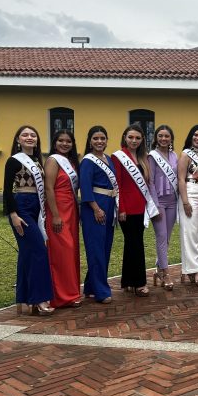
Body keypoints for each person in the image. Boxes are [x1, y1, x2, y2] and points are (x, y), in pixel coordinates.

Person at [3, 125, 54, 315]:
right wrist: (13, 215)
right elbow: (7, 191)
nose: (29, 137)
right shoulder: (13, 161)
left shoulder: (37, 160)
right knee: (39, 250)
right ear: (18, 139)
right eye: (25, 135)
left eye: (33, 135)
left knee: (26, 254)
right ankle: (40, 298)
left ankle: (23, 297)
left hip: (36, 207)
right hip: (22, 207)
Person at [112, 123, 158, 297]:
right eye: (131, 137)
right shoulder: (118, 157)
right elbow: (118, 184)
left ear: (142, 140)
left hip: (141, 207)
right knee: (136, 244)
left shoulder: (143, 157)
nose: (134, 140)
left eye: (138, 138)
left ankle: (128, 281)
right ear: (125, 137)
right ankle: (139, 282)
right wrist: (121, 208)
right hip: (127, 208)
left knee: (132, 244)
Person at [44, 129, 82, 308]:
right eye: (61, 140)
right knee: (62, 251)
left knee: (72, 250)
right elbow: (49, 188)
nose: (64, 144)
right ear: (54, 142)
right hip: (57, 209)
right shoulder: (52, 160)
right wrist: (56, 215)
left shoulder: (72, 162)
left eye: (68, 141)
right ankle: (60, 296)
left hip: (71, 209)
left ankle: (72, 293)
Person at [80, 126, 117, 304]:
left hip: (109, 206)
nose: (99, 141)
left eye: (103, 138)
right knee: (95, 249)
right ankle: (102, 291)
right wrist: (96, 208)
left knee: (104, 248)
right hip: (95, 207)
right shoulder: (87, 161)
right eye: (96, 138)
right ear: (90, 140)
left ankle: (90, 286)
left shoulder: (108, 160)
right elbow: (85, 187)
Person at [178, 125, 198, 287]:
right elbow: (181, 179)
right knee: (189, 232)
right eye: (196, 135)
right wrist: (185, 201)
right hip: (190, 192)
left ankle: (188, 269)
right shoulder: (185, 154)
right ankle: (197, 270)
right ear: (191, 136)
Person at [148, 125, 178, 291]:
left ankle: (159, 270)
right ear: (156, 138)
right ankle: (165, 272)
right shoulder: (152, 156)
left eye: (167, 136)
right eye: (160, 136)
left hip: (173, 201)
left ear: (171, 138)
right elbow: (150, 181)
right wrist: (155, 204)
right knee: (161, 236)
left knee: (167, 238)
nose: (164, 139)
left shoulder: (175, 155)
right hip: (159, 201)